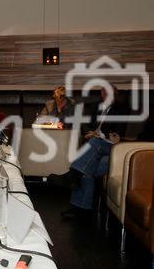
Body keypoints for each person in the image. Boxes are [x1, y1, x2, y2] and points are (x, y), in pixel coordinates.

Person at [47, 85, 128, 218]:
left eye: (110, 94)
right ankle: (81, 208)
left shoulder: (122, 109)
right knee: (86, 170)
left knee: (92, 148)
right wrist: (89, 132)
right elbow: (87, 125)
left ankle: (71, 175)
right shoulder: (97, 107)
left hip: (113, 149)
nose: (107, 97)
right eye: (104, 94)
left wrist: (99, 134)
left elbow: (118, 132)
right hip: (97, 149)